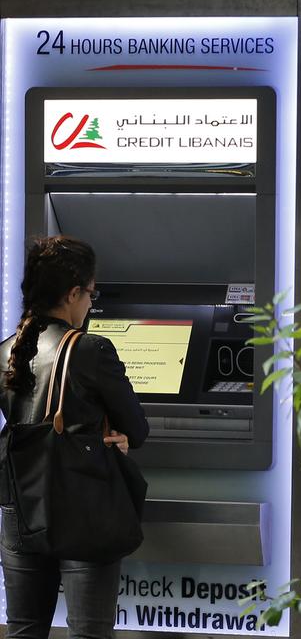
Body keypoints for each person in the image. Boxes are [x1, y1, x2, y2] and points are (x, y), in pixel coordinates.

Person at [0, 235, 149, 639]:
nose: (90, 303)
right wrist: (115, 434)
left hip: (21, 509)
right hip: (83, 507)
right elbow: (136, 428)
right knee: (88, 633)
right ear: (72, 294)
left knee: (23, 631)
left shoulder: (7, 351)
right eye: (90, 294)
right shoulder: (92, 349)